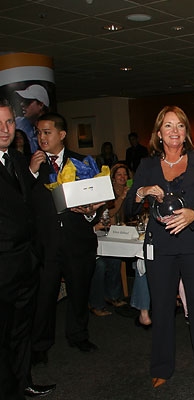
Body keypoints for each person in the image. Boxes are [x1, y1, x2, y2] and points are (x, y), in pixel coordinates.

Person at [124, 105, 194, 389]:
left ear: (186, 131)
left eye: (179, 125)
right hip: (161, 247)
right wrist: (141, 192)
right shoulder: (147, 166)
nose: (174, 131)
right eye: (168, 125)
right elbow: (129, 209)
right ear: (158, 133)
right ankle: (161, 366)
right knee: (162, 308)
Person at [29, 113, 105, 366]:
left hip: (77, 241)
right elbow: (22, 201)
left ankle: (78, 335)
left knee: (79, 292)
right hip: (46, 244)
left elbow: (96, 204)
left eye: (47, 132)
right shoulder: (30, 165)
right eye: (38, 132)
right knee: (44, 297)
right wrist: (31, 172)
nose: (41, 137)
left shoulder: (83, 163)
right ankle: (40, 345)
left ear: (61, 134)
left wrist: (90, 212)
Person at [0, 100, 56, 398]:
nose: (4, 129)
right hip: (3, 266)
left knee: (22, 330)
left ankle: (23, 381)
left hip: (26, 263)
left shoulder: (18, 159)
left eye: (9, 122)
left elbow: (28, 205)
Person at [88, 163, 132, 317]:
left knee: (115, 259)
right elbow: (110, 212)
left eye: (125, 174)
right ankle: (96, 304)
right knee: (100, 265)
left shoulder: (128, 190)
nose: (122, 177)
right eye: (119, 174)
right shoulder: (106, 192)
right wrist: (122, 197)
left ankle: (112, 296)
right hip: (97, 235)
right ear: (112, 177)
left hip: (114, 232)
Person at [15, 84, 50, 153]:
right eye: (22, 101)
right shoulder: (17, 123)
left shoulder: (51, 127)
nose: (22, 104)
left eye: (27, 102)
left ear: (40, 105)